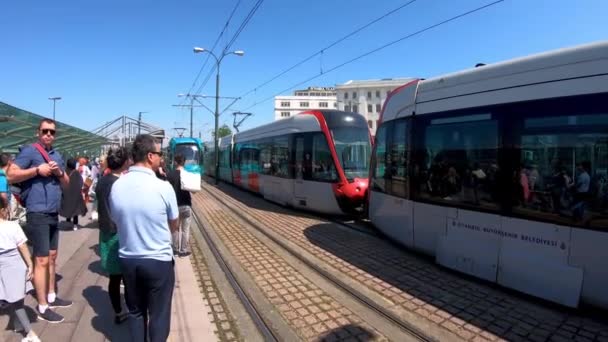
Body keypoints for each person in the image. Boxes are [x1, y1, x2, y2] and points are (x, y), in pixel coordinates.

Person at [110, 134, 179, 342]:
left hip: (129, 260)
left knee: (135, 311)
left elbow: (116, 220)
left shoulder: (117, 186)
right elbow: (174, 224)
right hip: (158, 261)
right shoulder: (163, 187)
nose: (161, 158)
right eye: (159, 154)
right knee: (158, 314)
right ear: (150, 156)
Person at [6, 118, 72, 323]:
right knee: (41, 260)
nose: (49, 135)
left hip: (53, 213)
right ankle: (43, 307)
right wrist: (37, 170)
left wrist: (60, 173)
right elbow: (10, 175)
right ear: (38, 132)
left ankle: (51, 295)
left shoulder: (57, 155)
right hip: (37, 212)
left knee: (52, 256)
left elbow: (67, 184)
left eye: (52, 132)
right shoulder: (29, 151)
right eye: (45, 131)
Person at [96, 146, 130, 324]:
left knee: (114, 278)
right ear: (125, 162)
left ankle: (118, 311)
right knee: (127, 276)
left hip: (105, 232)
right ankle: (131, 309)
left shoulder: (102, 180)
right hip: (120, 233)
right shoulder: (121, 183)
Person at [0, 196, 41, 342]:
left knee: (12, 298)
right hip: (15, 264)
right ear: (4, 209)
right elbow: (22, 246)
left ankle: (21, 326)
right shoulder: (12, 226)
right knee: (16, 300)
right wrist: (30, 264)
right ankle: (30, 333)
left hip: (4, 265)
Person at [166, 154, 193, 257]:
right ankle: (183, 251)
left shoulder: (170, 175)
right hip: (186, 205)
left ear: (175, 162)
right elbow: (193, 190)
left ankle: (175, 249)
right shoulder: (187, 174)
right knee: (186, 229)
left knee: (175, 229)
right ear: (184, 162)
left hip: (174, 206)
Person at [60, 158, 87, 230]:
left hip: (66, 193)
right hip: (75, 194)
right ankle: (75, 224)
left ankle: (68, 221)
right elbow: (80, 182)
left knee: (68, 206)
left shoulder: (64, 172)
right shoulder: (76, 172)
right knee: (75, 208)